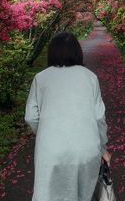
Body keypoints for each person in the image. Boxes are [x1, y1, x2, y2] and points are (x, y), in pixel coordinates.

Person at [24, 31, 111, 201]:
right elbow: (99, 118)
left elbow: (30, 117)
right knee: (82, 196)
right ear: (77, 52)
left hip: (50, 151)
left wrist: (44, 132)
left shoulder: (41, 78)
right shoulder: (90, 78)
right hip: (86, 149)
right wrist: (103, 149)